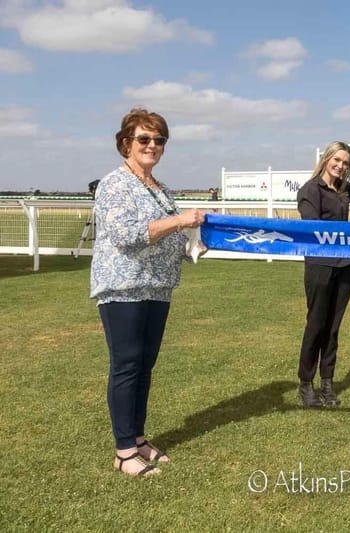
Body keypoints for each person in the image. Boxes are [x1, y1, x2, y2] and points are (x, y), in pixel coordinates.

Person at [90, 108, 206, 477]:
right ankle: (124, 451)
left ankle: (137, 438)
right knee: (126, 366)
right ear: (126, 142)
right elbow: (126, 234)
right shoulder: (115, 184)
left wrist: (193, 241)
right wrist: (179, 220)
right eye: (144, 139)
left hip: (157, 287)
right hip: (123, 287)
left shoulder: (160, 189)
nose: (151, 145)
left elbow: (169, 232)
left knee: (144, 366)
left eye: (159, 140)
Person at [296, 141, 350, 407]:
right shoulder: (310, 190)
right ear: (326, 159)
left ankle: (327, 383)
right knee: (316, 325)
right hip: (320, 266)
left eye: (346, 163)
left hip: (344, 266)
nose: (341, 166)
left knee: (333, 328)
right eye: (337, 160)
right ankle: (305, 383)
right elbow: (313, 227)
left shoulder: (344, 190)